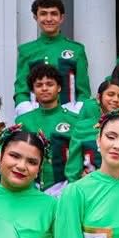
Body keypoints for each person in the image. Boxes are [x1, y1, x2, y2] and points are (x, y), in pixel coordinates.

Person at [14, 0, 89, 111]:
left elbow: (83, 91)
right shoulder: (26, 50)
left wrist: (77, 113)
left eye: (53, 13)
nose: (49, 19)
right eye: (43, 14)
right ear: (35, 17)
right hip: (35, 115)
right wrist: (27, 113)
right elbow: (21, 90)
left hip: (69, 116)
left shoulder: (76, 49)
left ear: (61, 18)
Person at [14, 64, 79, 193]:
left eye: (49, 84)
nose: (44, 88)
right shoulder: (23, 121)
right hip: (30, 187)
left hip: (65, 187)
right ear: (33, 90)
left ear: (59, 87)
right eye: (39, 85)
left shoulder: (74, 120)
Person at [66, 79, 119, 182]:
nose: (116, 99)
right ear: (99, 98)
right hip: (90, 186)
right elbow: (73, 169)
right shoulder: (82, 128)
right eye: (111, 94)